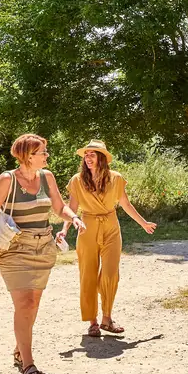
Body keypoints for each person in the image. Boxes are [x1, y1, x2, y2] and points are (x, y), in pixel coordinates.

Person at [0, 134, 80, 374]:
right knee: (24, 304)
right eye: (42, 152)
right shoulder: (7, 179)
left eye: (45, 151)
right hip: (15, 247)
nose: (46, 155)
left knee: (33, 303)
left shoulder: (47, 177)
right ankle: (28, 364)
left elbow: (58, 206)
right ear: (27, 155)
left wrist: (73, 217)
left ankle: (19, 349)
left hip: (43, 246)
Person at [68, 140, 157, 337]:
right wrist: (65, 228)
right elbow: (72, 208)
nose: (88, 158)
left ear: (102, 158)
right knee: (88, 275)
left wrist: (143, 223)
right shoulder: (77, 180)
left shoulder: (116, 178)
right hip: (87, 227)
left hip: (111, 227)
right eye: (86, 154)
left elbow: (125, 203)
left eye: (93, 154)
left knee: (109, 274)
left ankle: (106, 318)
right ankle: (92, 322)